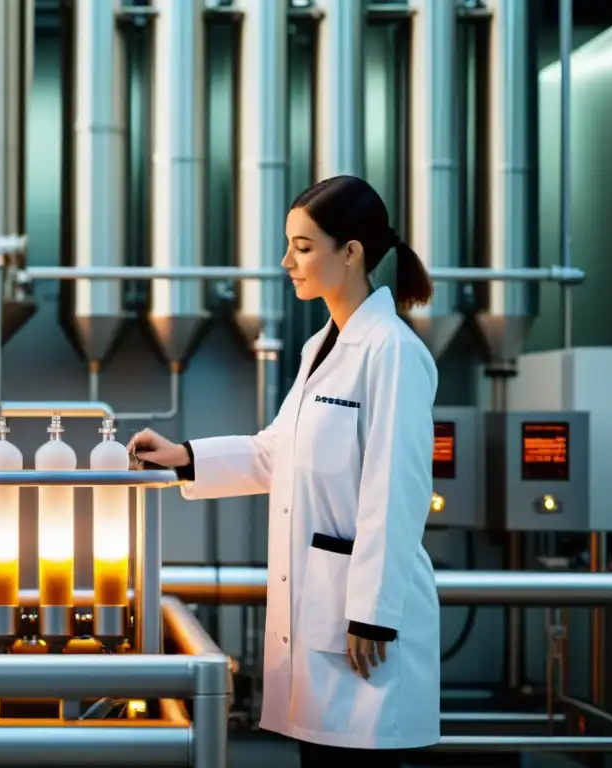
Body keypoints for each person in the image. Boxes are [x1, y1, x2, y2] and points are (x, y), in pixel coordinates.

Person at [129, 175, 441, 766]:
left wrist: (372, 616)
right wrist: (184, 456)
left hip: (360, 628)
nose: (286, 261)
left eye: (302, 246)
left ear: (350, 253)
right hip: (321, 622)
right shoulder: (321, 346)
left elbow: (394, 492)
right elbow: (278, 452)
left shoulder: (392, 351)